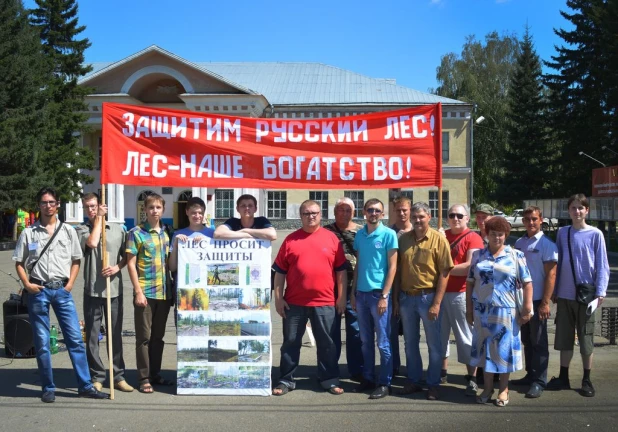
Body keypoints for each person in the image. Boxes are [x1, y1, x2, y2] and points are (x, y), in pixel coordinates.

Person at [13, 187, 108, 402]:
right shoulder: (29, 232)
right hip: (38, 291)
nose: (48, 206)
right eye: (44, 202)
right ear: (39, 205)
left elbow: (76, 260)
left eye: (51, 202)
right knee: (42, 342)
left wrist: (69, 284)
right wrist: (27, 284)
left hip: (62, 291)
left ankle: (85, 386)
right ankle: (48, 387)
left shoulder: (68, 231)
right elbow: (19, 262)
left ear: (58, 205)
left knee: (75, 339)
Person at [272, 200, 347, 396]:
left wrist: (342, 297)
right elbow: (279, 273)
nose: (310, 216)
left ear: (321, 215)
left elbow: (341, 272)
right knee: (290, 343)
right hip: (295, 302)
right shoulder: (290, 240)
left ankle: (329, 379)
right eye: (306, 213)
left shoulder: (332, 239)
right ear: (300, 215)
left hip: (326, 302)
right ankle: (285, 379)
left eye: (314, 213)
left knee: (328, 343)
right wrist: (278, 298)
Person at [466, 216, 533, 407]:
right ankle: (487, 388)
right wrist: (469, 310)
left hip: (506, 312)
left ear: (506, 235)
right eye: (493, 234)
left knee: (503, 352)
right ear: (486, 234)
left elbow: (528, 283)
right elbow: (470, 283)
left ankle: (504, 389)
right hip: (482, 311)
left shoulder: (515, 255)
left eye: (501, 234)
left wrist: (527, 308)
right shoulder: (478, 256)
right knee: (485, 352)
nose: (497, 238)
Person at [547, 194, 609, 398]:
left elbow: (602, 265)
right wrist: (555, 290)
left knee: (586, 338)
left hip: (587, 296)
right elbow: (559, 262)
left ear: (587, 210)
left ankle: (586, 378)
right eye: (573, 208)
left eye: (580, 208)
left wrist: (600, 292)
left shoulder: (595, 234)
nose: (577, 212)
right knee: (564, 338)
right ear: (569, 211)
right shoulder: (563, 233)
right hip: (565, 295)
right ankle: (563, 376)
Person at [394, 202, 453, 401]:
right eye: (415, 217)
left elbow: (445, 273)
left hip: (428, 298)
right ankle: (414, 380)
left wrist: (437, 303)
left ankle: (433, 383)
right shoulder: (403, 240)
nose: (417, 220)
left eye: (421, 216)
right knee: (410, 342)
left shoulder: (438, 240)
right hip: (406, 298)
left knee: (434, 344)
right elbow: (397, 271)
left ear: (429, 217)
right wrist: (395, 299)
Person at [75, 193, 133, 393]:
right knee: (92, 337)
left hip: (113, 290)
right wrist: (98, 219)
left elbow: (128, 256)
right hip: (92, 290)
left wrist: (117, 267)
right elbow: (91, 243)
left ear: (101, 205)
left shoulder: (117, 230)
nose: (90, 210)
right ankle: (97, 376)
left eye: (93, 206)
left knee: (114, 335)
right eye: (87, 207)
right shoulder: (82, 229)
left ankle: (118, 376)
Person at [126, 193, 173, 394]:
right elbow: (130, 263)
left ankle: (155, 373)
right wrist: (138, 291)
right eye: (151, 207)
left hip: (164, 293)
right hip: (145, 291)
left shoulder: (166, 232)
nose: (155, 211)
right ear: (144, 210)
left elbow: (170, 262)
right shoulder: (135, 233)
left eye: (158, 207)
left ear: (163, 210)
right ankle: (144, 377)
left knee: (158, 337)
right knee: (144, 338)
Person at [351, 199, 398, 399]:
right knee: (365, 341)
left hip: (378, 295)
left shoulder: (389, 234)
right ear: (364, 212)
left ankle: (384, 382)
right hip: (361, 295)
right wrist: (353, 292)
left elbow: (393, 267)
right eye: (370, 210)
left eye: (377, 210)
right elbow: (358, 264)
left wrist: (385, 296)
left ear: (382, 213)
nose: (373, 213)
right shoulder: (360, 235)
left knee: (384, 342)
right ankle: (368, 377)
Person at [510, 206, 558, 399]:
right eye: (527, 219)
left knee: (539, 342)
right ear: (523, 221)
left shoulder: (547, 244)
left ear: (541, 220)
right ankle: (531, 374)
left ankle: (539, 381)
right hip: (522, 300)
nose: (531, 222)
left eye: (534, 219)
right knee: (527, 340)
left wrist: (545, 302)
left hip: (538, 299)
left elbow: (551, 275)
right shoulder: (520, 242)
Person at [440, 204, 484, 395]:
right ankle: (441, 372)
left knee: (465, 337)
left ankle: (472, 377)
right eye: (451, 215)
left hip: (461, 293)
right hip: (440, 293)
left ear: (467, 218)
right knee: (439, 336)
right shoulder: (441, 235)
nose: (455, 218)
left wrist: (444, 270)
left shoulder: (473, 237)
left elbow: (469, 266)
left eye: (459, 215)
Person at [323, 197, 364, 380]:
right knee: (331, 332)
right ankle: (330, 371)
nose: (344, 213)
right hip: (331, 289)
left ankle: (356, 370)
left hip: (355, 289)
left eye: (348, 210)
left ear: (353, 213)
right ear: (334, 212)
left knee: (355, 332)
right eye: (341, 209)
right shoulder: (325, 232)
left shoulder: (361, 232)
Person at [388, 196, 413, 376]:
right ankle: (394, 366)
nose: (402, 213)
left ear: (410, 210)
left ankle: (412, 369)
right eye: (398, 210)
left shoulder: (418, 231)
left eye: (405, 210)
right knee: (391, 332)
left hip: (413, 289)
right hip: (392, 289)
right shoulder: (389, 233)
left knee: (412, 336)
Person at [168, 197, 215, 274]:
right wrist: (176, 245)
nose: (197, 216)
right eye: (193, 213)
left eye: (200, 213)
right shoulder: (178, 235)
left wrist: (206, 241)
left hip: (205, 282)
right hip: (184, 282)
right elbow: (172, 268)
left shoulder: (212, 234)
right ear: (187, 212)